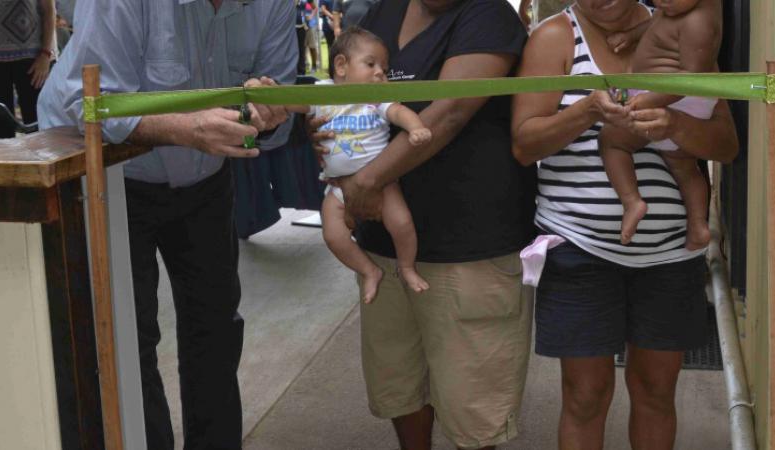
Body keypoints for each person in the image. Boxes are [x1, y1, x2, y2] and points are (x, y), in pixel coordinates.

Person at [36, 1, 296, 449]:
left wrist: (264, 110)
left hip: (205, 174)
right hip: (109, 170)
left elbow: (279, 99)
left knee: (215, 328)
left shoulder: (273, 4)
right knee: (127, 338)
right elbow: (89, 102)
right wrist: (182, 127)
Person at [511, 1, 738, 449]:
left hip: (671, 253)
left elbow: (727, 145)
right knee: (584, 395)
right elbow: (524, 145)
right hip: (579, 247)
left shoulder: (679, 28)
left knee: (656, 391)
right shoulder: (555, 37)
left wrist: (675, 122)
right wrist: (587, 112)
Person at [312, 1, 535, 448]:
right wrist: (322, 131)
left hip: (469, 248)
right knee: (400, 385)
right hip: (385, 243)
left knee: (474, 406)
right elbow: (345, 92)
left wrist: (367, 182)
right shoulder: (381, 15)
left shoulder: (488, 17)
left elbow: (449, 111)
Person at [290, 27, 432, 303]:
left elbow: (399, 112)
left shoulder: (375, 98)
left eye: (384, 68)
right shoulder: (323, 93)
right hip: (338, 186)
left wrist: (415, 128)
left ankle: (406, 267)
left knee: (402, 223)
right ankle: (369, 271)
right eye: (371, 64)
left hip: (382, 182)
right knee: (333, 236)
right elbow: (290, 102)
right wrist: (268, 93)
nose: (380, 72)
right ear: (341, 65)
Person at [598, 0, 722, 249]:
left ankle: (632, 201)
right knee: (685, 168)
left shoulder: (698, 21)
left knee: (611, 141)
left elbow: (692, 78)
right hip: (682, 102)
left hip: (673, 99)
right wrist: (630, 36)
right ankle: (698, 226)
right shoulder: (677, 10)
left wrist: (647, 99)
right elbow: (653, 24)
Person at [0, 0, 55, 138]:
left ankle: (39, 159)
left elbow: (49, 11)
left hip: (32, 58)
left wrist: (46, 54)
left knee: (37, 122)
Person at [305, 0, 320, 72]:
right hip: (300, 25)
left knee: (312, 46)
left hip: (310, 25)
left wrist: (311, 16)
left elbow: (315, 8)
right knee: (302, 47)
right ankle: (305, 65)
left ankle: (314, 65)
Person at [296, 0, 309, 75]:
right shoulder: (288, 4)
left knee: (301, 49)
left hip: (301, 28)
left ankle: (301, 70)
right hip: (292, 29)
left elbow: (309, 11)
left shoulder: (303, 3)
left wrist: (306, 23)